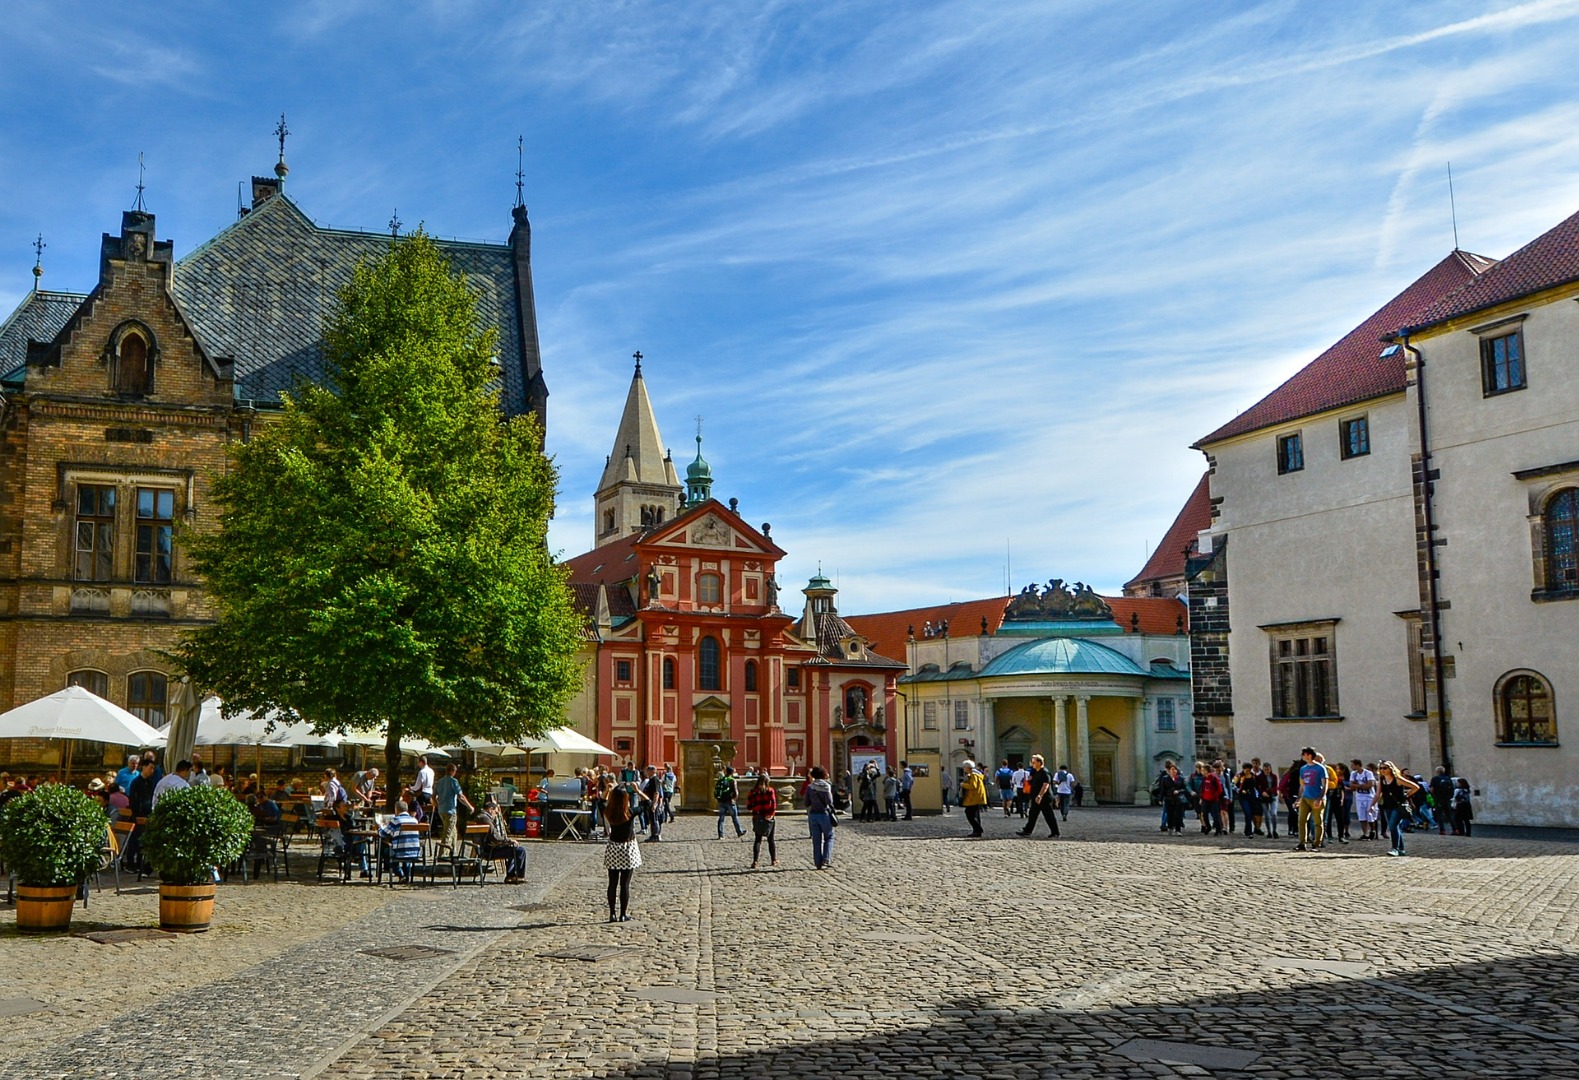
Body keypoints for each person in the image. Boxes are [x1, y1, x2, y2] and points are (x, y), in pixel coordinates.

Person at [603, 785, 643, 922]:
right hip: (628, 849)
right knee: (625, 884)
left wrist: (607, 791)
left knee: (612, 883)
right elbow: (648, 803)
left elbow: (600, 802)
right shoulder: (630, 812)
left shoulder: (609, 811)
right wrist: (638, 791)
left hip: (613, 848)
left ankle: (612, 913)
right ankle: (623, 914)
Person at [477, 796, 527, 883]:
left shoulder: (479, 817)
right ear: (490, 809)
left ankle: (511, 875)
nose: (495, 815)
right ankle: (518, 876)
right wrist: (508, 840)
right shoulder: (485, 819)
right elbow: (495, 837)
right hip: (490, 850)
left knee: (512, 848)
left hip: (486, 848)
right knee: (520, 850)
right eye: (495, 813)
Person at [1376, 761, 1421, 856]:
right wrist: (1372, 805)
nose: (1382, 770)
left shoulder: (1398, 779)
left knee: (1392, 826)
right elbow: (1378, 794)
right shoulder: (1382, 780)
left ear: (1391, 769)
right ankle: (1401, 849)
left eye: (1385, 768)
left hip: (1398, 806)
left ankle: (1395, 848)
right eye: (1381, 768)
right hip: (1387, 806)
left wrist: (1407, 795)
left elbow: (1415, 787)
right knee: (1395, 827)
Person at [432, 762, 473, 857]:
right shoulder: (454, 781)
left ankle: (453, 852)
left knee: (453, 831)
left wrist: (438, 805)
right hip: (450, 811)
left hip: (441, 811)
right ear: (452, 771)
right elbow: (461, 796)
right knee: (447, 833)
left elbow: (433, 797)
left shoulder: (439, 782)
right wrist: (470, 806)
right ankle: (441, 855)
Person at [1017, 754, 1059, 838]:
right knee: (1032, 814)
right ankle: (1027, 830)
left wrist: (1040, 796)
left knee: (1048, 815)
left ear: (1040, 762)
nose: (1032, 764)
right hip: (1036, 797)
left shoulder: (1044, 772)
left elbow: (1045, 785)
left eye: (1034, 762)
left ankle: (1055, 832)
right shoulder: (1036, 772)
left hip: (1044, 798)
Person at [379, 799, 422, 881]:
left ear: (396, 810)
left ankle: (400, 874)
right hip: (415, 852)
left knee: (386, 852)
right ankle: (407, 875)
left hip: (400, 852)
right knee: (405, 847)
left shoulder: (396, 820)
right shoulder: (414, 820)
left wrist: (380, 828)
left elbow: (383, 834)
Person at [1294, 748, 1328, 851]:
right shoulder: (1303, 769)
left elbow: (1325, 785)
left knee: (1317, 821)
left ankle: (1317, 843)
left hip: (1316, 798)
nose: (1302, 756)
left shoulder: (1320, 768)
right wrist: (1298, 799)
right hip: (1305, 797)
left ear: (1309, 755)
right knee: (1301, 820)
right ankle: (1302, 843)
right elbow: (1302, 785)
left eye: (1304, 754)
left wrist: (1320, 798)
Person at [804, 765, 837, 869]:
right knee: (829, 837)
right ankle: (826, 859)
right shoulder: (826, 786)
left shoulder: (810, 787)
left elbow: (806, 803)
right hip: (824, 814)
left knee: (816, 840)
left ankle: (818, 862)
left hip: (813, 815)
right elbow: (829, 801)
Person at [746, 773, 778, 868]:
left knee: (757, 840)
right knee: (771, 840)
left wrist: (755, 809)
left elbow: (748, 806)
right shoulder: (770, 791)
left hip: (757, 817)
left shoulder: (752, 792)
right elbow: (773, 805)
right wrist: (771, 815)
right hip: (768, 818)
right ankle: (773, 860)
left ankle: (755, 861)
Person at [958, 760, 988, 838]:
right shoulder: (976, 774)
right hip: (976, 797)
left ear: (968, 767)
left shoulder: (973, 775)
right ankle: (977, 831)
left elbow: (973, 786)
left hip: (974, 798)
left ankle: (978, 829)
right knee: (975, 814)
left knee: (969, 814)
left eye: (964, 767)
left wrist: (963, 784)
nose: (963, 768)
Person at [1158, 761, 1189, 834]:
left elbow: (1185, 789)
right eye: (1172, 769)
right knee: (1170, 814)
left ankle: (1178, 829)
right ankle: (1170, 827)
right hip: (1168, 798)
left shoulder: (1180, 778)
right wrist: (1160, 799)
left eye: (1175, 769)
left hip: (1178, 799)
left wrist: (1179, 791)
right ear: (1169, 771)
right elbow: (1163, 789)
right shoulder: (1165, 778)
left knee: (1178, 814)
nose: (1174, 771)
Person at [1349, 760, 1377, 841]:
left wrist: (1357, 785)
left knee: (1370, 815)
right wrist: (1361, 785)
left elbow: (1369, 785)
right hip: (1359, 797)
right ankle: (1365, 833)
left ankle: (1372, 830)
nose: (1352, 767)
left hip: (1369, 796)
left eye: (1353, 765)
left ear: (1358, 765)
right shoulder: (1353, 774)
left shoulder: (1368, 773)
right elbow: (1351, 786)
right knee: (1362, 816)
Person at [714, 766, 744, 838]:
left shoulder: (721, 779)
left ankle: (720, 835)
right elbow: (736, 792)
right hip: (730, 802)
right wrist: (734, 799)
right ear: (732, 772)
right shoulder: (732, 780)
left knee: (721, 818)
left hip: (721, 801)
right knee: (734, 817)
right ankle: (739, 831)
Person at [1429, 767, 1456, 836]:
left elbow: (1431, 789)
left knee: (1439, 815)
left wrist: (1433, 795)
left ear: (1437, 772)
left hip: (1438, 798)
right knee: (1449, 814)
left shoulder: (1435, 779)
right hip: (1447, 798)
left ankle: (1442, 830)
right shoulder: (1448, 778)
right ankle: (1455, 829)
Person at [642, 766, 664, 842]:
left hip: (653, 802)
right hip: (651, 802)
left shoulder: (655, 780)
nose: (647, 772)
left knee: (654, 819)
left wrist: (654, 804)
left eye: (648, 770)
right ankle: (653, 835)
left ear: (652, 771)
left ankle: (655, 835)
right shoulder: (652, 779)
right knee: (652, 819)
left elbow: (656, 792)